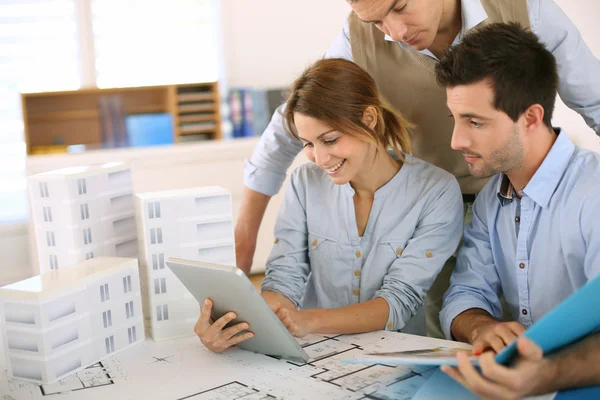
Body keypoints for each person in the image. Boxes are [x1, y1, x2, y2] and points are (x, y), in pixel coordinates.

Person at [236, 0, 600, 339]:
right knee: (448, 337)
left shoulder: (524, 6)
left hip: (514, 192)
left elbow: (596, 100)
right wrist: (243, 245)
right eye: (377, 21)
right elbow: (296, 124)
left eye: (399, 7)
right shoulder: (359, 37)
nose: (393, 31)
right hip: (439, 210)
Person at [194, 58, 463, 352]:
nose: (320, 159)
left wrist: (307, 321)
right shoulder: (304, 184)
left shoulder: (436, 191)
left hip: (396, 359)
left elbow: (397, 302)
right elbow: (284, 281)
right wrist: (233, 324)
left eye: (330, 140)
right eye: (308, 144)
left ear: (369, 118)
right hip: (316, 356)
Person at [435, 22, 600, 398]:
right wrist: (480, 327)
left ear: (530, 118)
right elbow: (464, 293)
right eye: (455, 119)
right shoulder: (492, 199)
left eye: (475, 121)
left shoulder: (594, 194)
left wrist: (546, 375)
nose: (456, 141)